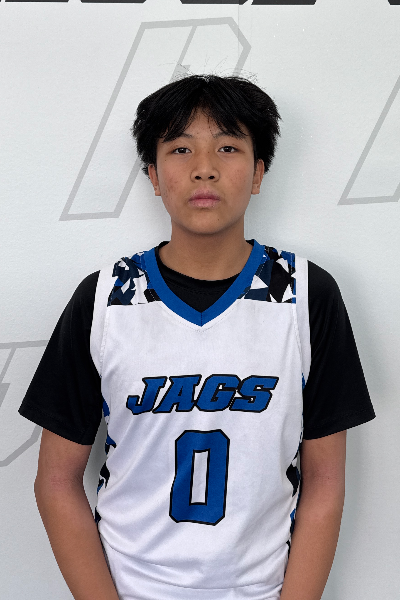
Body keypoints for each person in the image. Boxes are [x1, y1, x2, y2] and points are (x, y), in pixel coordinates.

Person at [19, 74, 376, 600]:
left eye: (228, 147)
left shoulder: (305, 294)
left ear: (258, 172)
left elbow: (325, 481)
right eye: (180, 148)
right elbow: (55, 481)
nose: (204, 167)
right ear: (153, 174)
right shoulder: (105, 299)